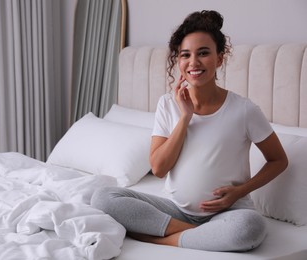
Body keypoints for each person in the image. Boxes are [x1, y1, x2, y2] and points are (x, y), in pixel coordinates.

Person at [91, 10, 288, 252]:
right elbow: (160, 169)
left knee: (249, 228)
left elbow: (278, 160)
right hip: (175, 209)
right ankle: (196, 234)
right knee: (102, 197)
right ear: (179, 61)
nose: (193, 62)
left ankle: (162, 237)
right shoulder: (167, 104)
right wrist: (185, 117)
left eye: (203, 53)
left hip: (228, 211)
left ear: (219, 59)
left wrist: (239, 191)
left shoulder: (244, 110)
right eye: (185, 55)